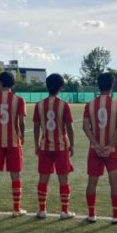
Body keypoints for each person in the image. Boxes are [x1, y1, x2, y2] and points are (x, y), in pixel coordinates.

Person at [82, 72, 117, 224]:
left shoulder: (90, 105)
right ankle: (115, 216)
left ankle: (91, 215)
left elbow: (85, 127)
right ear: (112, 85)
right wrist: (110, 145)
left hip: (95, 150)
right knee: (114, 184)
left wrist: (95, 143)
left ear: (98, 85)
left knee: (92, 183)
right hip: (113, 150)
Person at [0, 71, 27, 217]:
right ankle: (16, 209)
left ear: (0, 83)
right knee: (15, 175)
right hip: (13, 142)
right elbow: (21, 122)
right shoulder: (18, 100)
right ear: (13, 83)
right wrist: (23, 136)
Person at [33, 73, 75, 220]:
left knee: (43, 178)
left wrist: (36, 144)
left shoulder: (39, 105)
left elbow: (36, 127)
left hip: (45, 147)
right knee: (63, 179)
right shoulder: (64, 105)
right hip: (61, 147)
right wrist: (72, 145)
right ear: (61, 87)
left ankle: (42, 210)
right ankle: (64, 211)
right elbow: (69, 127)